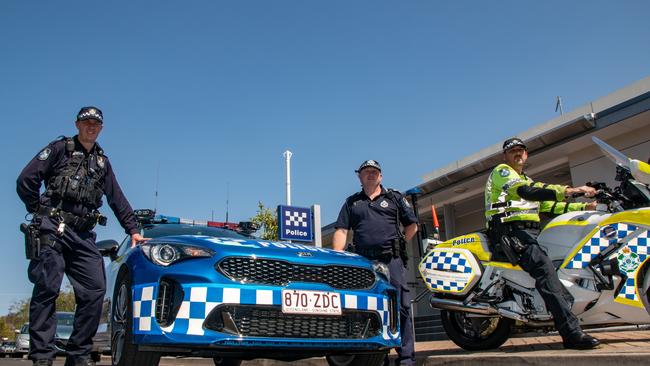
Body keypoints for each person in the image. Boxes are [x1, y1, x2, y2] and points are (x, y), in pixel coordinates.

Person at [17, 106, 147, 366]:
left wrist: (133, 229)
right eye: (86, 122)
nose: (91, 127)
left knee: (95, 290)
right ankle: (42, 357)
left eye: (95, 124)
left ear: (101, 128)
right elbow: (26, 180)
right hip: (52, 230)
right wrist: (40, 212)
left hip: (83, 234)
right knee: (47, 289)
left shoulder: (102, 162)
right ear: (77, 124)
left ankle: (78, 356)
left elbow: (116, 198)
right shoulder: (59, 149)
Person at [485, 137, 600, 349]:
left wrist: (588, 208)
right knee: (544, 270)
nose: (517, 154)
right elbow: (527, 192)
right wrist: (570, 190)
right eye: (513, 151)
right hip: (509, 232)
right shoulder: (502, 172)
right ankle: (571, 334)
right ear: (505, 156)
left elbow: (549, 206)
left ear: (526, 154)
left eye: (521, 150)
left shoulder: (525, 178)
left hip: (528, 232)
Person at [332, 160, 418, 366]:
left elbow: (412, 225)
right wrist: (337, 258)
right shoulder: (352, 203)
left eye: (374, 172)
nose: (370, 174)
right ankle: (377, 357)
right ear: (359, 177)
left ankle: (406, 358)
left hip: (391, 261)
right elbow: (342, 231)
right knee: (365, 308)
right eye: (366, 172)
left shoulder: (394, 198)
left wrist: (399, 244)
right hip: (364, 263)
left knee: (400, 307)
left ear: (381, 176)